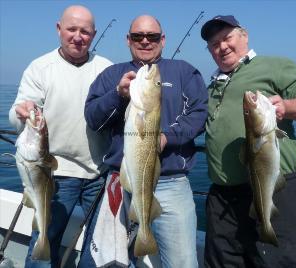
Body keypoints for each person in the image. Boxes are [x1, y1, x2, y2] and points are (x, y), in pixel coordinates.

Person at [201, 15, 296, 268]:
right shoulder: (211, 86)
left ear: (244, 36)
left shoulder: (275, 66)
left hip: (277, 188)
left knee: (283, 261)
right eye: (214, 44)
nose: (222, 47)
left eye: (227, 38)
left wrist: (287, 106)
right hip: (224, 200)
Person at [81, 15, 208, 268]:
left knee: (182, 263)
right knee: (106, 261)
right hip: (119, 180)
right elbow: (93, 119)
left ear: (163, 40)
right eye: (138, 36)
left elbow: (199, 114)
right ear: (128, 40)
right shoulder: (111, 75)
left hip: (171, 185)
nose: (145, 41)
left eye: (152, 36)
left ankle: (145, 237)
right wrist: (118, 95)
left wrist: (166, 138)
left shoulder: (184, 71)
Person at [9, 5, 112, 268]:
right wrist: (22, 113)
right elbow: (17, 111)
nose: (78, 36)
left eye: (85, 31)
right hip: (54, 174)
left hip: (99, 175)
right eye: (72, 29)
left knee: (101, 246)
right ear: (58, 29)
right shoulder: (40, 68)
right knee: (44, 242)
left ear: (94, 34)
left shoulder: (107, 69)